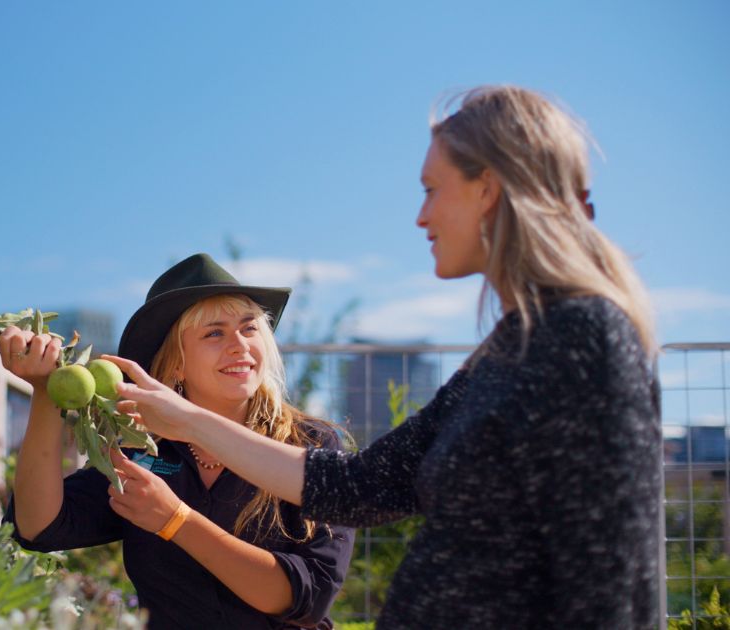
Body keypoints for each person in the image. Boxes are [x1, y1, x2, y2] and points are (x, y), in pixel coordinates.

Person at [105, 86, 661, 629]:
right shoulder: (504, 352)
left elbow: (609, 580)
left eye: (431, 189)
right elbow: (363, 485)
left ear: (487, 190)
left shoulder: (582, 337)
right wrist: (182, 419)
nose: (422, 217)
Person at [0, 253, 355, 629]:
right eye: (214, 333)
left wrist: (174, 520)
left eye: (249, 328)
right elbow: (38, 525)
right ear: (176, 364)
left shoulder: (311, 446)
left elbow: (308, 599)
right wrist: (45, 393)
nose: (239, 345)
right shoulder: (142, 448)